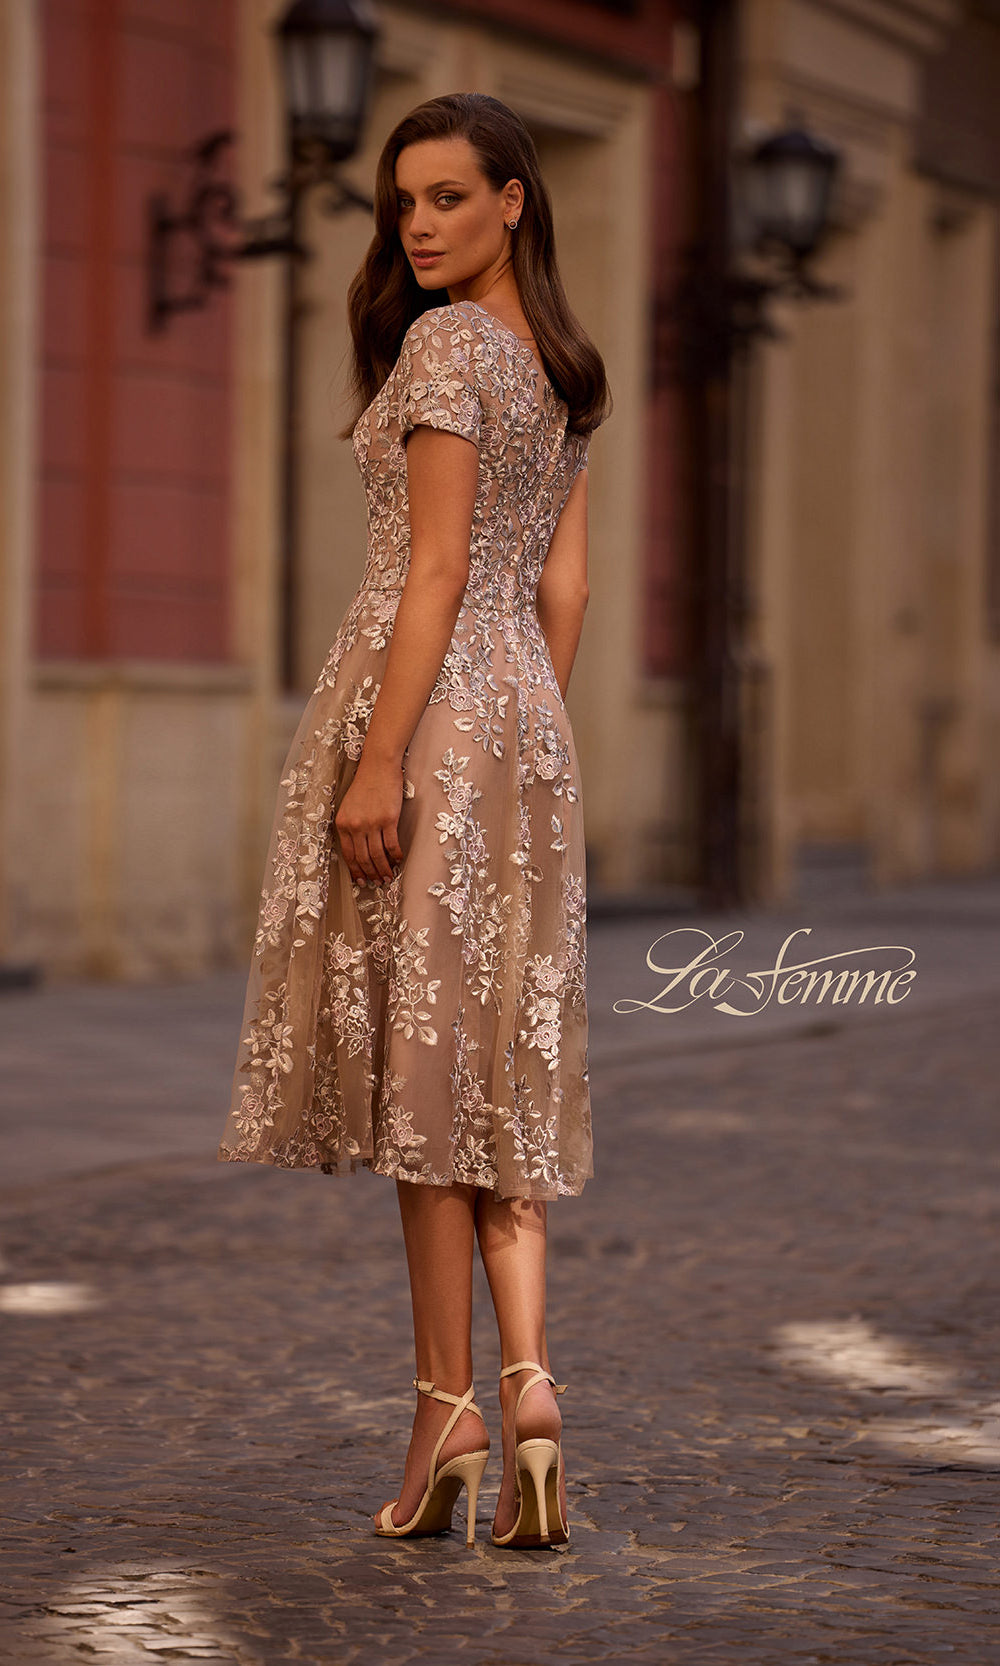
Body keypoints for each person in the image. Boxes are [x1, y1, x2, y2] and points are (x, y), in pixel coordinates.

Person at [217, 91, 610, 1549]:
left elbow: (436, 567)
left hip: (427, 707)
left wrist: (383, 764)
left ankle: (445, 1408)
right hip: (523, 727)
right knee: (497, 1061)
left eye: (450, 196)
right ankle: (533, 1393)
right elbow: (558, 590)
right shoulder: (563, 364)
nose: (421, 225)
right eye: (404, 203)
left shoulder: (445, 348)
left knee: (428, 1089)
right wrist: (522, 731)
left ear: (516, 199)